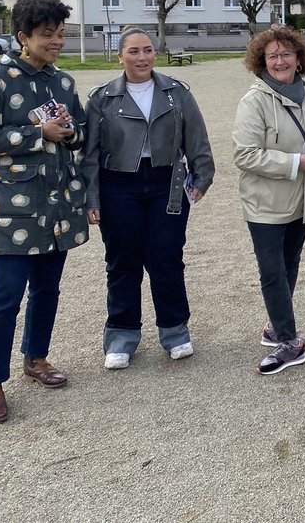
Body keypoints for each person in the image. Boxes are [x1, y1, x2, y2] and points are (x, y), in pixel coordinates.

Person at [0, 0, 89, 424]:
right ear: (23, 38)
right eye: (47, 35)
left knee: (47, 290)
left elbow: (80, 133)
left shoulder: (65, 83)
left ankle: (36, 358)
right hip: (11, 210)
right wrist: (39, 133)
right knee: (4, 296)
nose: (56, 42)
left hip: (57, 205)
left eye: (60, 34)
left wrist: (70, 134)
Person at [82, 28, 215, 371]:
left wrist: (201, 178)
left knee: (166, 258)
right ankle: (121, 335)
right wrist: (91, 197)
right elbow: (90, 154)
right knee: (122, 262)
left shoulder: (176, 93)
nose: (142, 58)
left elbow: (197, 139)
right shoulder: (102, 99)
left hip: (166, 184)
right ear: (120, 55)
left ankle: (174, 330)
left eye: (148, 51)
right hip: (118, 186)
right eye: (134, 51)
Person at [233, 27, 305, 375]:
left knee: (290, 263)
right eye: (272, 56)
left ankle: (275, 326)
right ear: (261, 62)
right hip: (265, 202)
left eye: (286, 54)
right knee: (272, 272)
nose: (280, 61)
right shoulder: (255, 100)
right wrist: (296, 163)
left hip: (302, 197)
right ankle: (288, 341)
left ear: (299, 57)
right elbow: (245, 155)